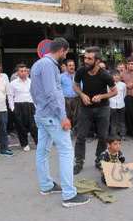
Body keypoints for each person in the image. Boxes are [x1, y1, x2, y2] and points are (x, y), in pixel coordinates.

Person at [30, 37, 90, 208]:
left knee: (42, 151)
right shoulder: (49, 65)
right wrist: (63, 117)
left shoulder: (38, 64)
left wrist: (40, 108)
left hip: (41, 114)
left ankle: (46, 186)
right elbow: (52, 94)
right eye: (66, 52)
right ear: (62, 50)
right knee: (66, 151)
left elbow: (33, 91)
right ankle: (69, 195)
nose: (65, 55)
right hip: (52, 116)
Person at [73, 47, 117, 175]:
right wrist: (82, 95)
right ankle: (79, 162)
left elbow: (115, 91)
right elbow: (75, 85)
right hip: (85, 108)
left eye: (89, 59)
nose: (85, 61)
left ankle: (99, 160)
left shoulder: (105, 75)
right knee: (81, 136)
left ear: (97, 61)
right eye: (85, 58)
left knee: (103, 137)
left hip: (103, 109)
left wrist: (101, 96)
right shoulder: (81, 71)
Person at [8, 64, 38, 151]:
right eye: (21, 71)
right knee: (21, 126)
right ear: (17, 73)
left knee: (34, 126)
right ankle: (24, 144)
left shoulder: (31, 81)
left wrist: (36, 106)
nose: (24, 73)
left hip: (30, 105)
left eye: (25, 71)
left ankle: (38, 143)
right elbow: (10, 96)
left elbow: (35, 94)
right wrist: (12, 108)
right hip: (18, 105)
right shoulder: (13, 83)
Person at [60, 59, 79, 137]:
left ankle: (76, 131)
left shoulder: (78, 75)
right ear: (66, 67)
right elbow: (58, 88)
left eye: (73, 65)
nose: (72, 67)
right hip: (65, 99)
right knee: (67, 115)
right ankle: (67, 132)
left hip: (77, 98)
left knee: (77, 116)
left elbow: (82, 86)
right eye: (70, 65)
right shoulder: (61, 76)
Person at [109, 70, 126, 140]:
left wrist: (121, 100)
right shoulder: (109, 85)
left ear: (120, 76)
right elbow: (108, 94)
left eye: (117, 75)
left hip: (121, 105)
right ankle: (114, 135)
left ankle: (122, 134)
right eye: (114, 75)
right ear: (112, 77)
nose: (116, 77)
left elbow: (124, 94)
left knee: (121, 121)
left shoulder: (123, 84)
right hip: (112, 105)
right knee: (113, 121)